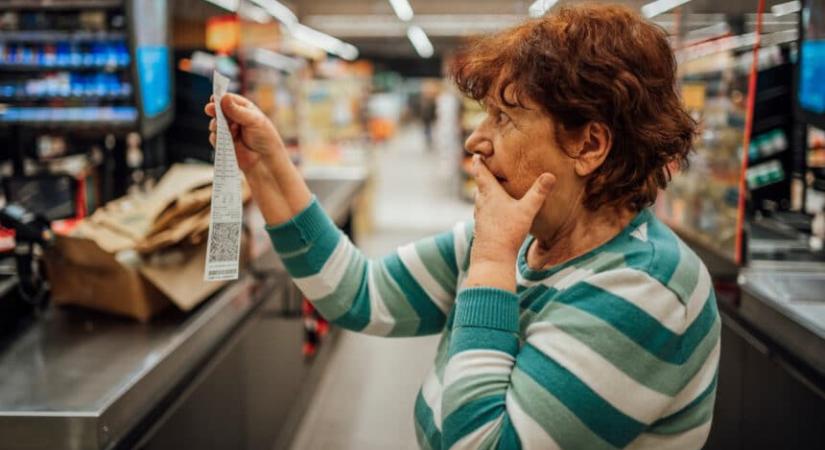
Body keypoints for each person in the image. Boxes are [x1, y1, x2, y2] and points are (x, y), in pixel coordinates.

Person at [205, 4, 720, 449]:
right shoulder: (522, 238)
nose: (475, 140)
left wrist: (492, 262)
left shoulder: (644, 294)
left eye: (504, 117)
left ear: (588, 145)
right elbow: (360, 294)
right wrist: (268, 165)